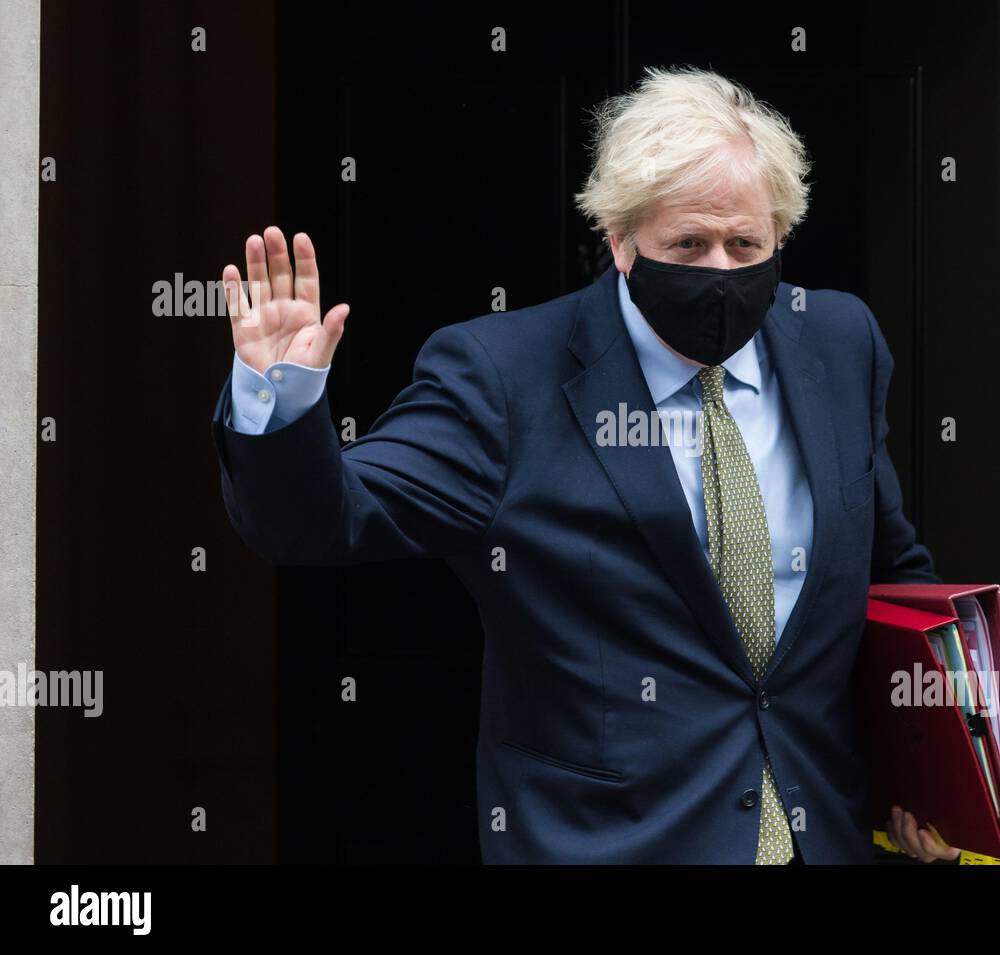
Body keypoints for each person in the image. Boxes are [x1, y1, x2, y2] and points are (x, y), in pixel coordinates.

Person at [212, 65, 953, 864]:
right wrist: (282, 399)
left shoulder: (840, 345)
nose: (718, 272)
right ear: (621, 242)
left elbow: (889, 571)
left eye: (745, 244)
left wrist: (942, 775)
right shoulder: (504, 377)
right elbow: (325, 519)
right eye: (687, 244)